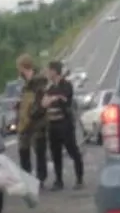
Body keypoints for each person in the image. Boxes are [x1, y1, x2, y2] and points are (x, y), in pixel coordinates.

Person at [42, 60, 84, 190]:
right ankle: (58, 180)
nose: (47, 73)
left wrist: (55, 98)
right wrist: (54, 98)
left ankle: (79, 179)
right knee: (55, 153)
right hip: (52, 124)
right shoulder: (50, 88)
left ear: (54, 71)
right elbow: (44, 103)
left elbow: (65, 99)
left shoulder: (66, 85)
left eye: (48, 70)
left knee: (72, 151)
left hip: (64, 124)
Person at [15, 54, 48, 185]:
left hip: (37, 122)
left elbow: (40, 103)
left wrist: (33, 113)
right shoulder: (26, 85)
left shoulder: (39, 82)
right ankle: (27, 176)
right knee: (23, 149)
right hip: (25, 123)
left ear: (23, 67)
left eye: (19, 68)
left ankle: (41, 178)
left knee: (39, 151)